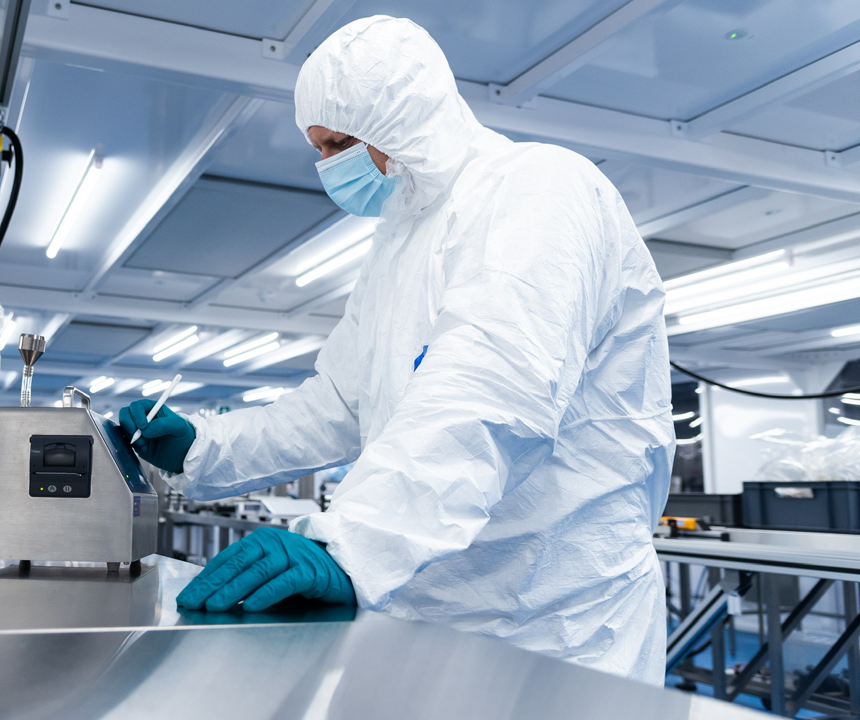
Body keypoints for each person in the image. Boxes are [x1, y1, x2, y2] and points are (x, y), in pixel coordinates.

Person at [119, 15, 674, 685]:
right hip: (423, 609)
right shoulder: (398, 243)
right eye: (318, 148)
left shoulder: (539, 189)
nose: (328, 165)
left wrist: (352, 544)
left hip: (557, 625)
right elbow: (337, 404)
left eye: (341, 142)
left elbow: (489, 392)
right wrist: (205, 444)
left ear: (406, 119)